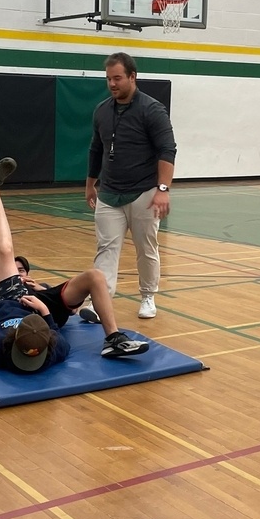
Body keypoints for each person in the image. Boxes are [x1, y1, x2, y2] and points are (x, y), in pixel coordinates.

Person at [0, 159, 150, 367]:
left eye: (21, 269)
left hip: (2, 309)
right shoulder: (54, 345)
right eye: (17, 270)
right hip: (32, 307)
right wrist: (45, 312)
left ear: (28, 272)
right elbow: (56, 334)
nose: (18, 271)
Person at [85, 52, 177, 320]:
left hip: (144, 194)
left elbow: (167, 150)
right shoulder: (102, 110)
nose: (112, 84)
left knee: (146, 249)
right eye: (108, 79)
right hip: (109, 194)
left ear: (132, 77)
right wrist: (91, 184)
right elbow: (96, 149)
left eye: (117, 78)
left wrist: (162, 189)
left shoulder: (152, 110)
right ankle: (100, 301)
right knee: (106, 249)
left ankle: (148, 296)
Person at [15, 254, 102, 324]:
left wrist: (40, 289)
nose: (18, 274)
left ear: (27, 273)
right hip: (27, 322)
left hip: (51, 319)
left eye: (21, 270)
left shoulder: (43, 288)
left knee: (92, 276)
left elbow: (73, 311)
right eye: (15, 270)